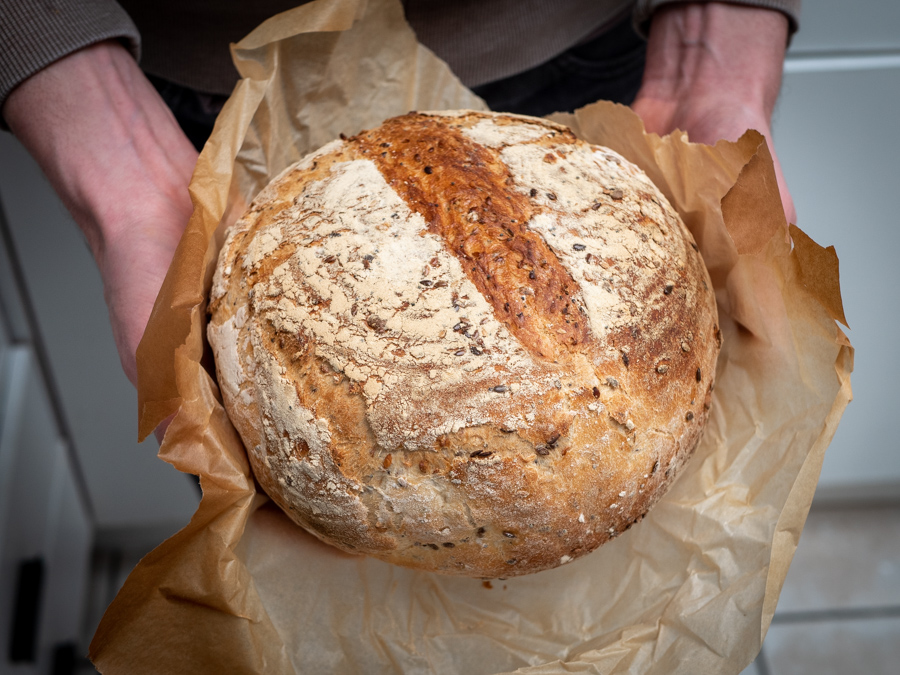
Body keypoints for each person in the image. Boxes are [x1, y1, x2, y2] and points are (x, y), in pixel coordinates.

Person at [1, 0, 799, 402]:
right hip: (208, 86)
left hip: (591, 50)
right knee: (281, 434)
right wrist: (100, 127)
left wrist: (719, 32)